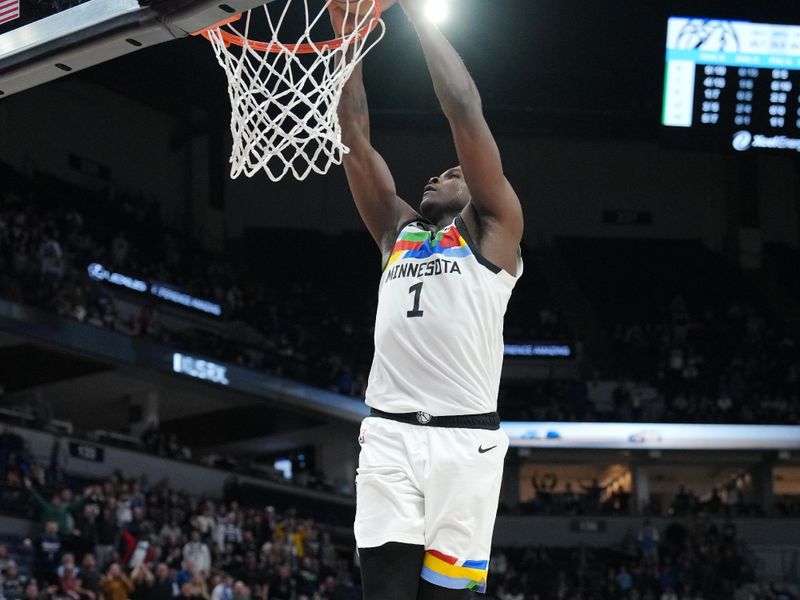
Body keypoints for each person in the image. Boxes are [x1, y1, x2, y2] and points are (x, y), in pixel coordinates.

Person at [332, 0, 524, 597]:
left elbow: (464, 107)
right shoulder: (398, 232)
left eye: (454, 172)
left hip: (464, 443)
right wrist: (347, 40)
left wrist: (416, 14)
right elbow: (356, 140)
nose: (438, 175)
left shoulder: (492, 230)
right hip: (389, 435)